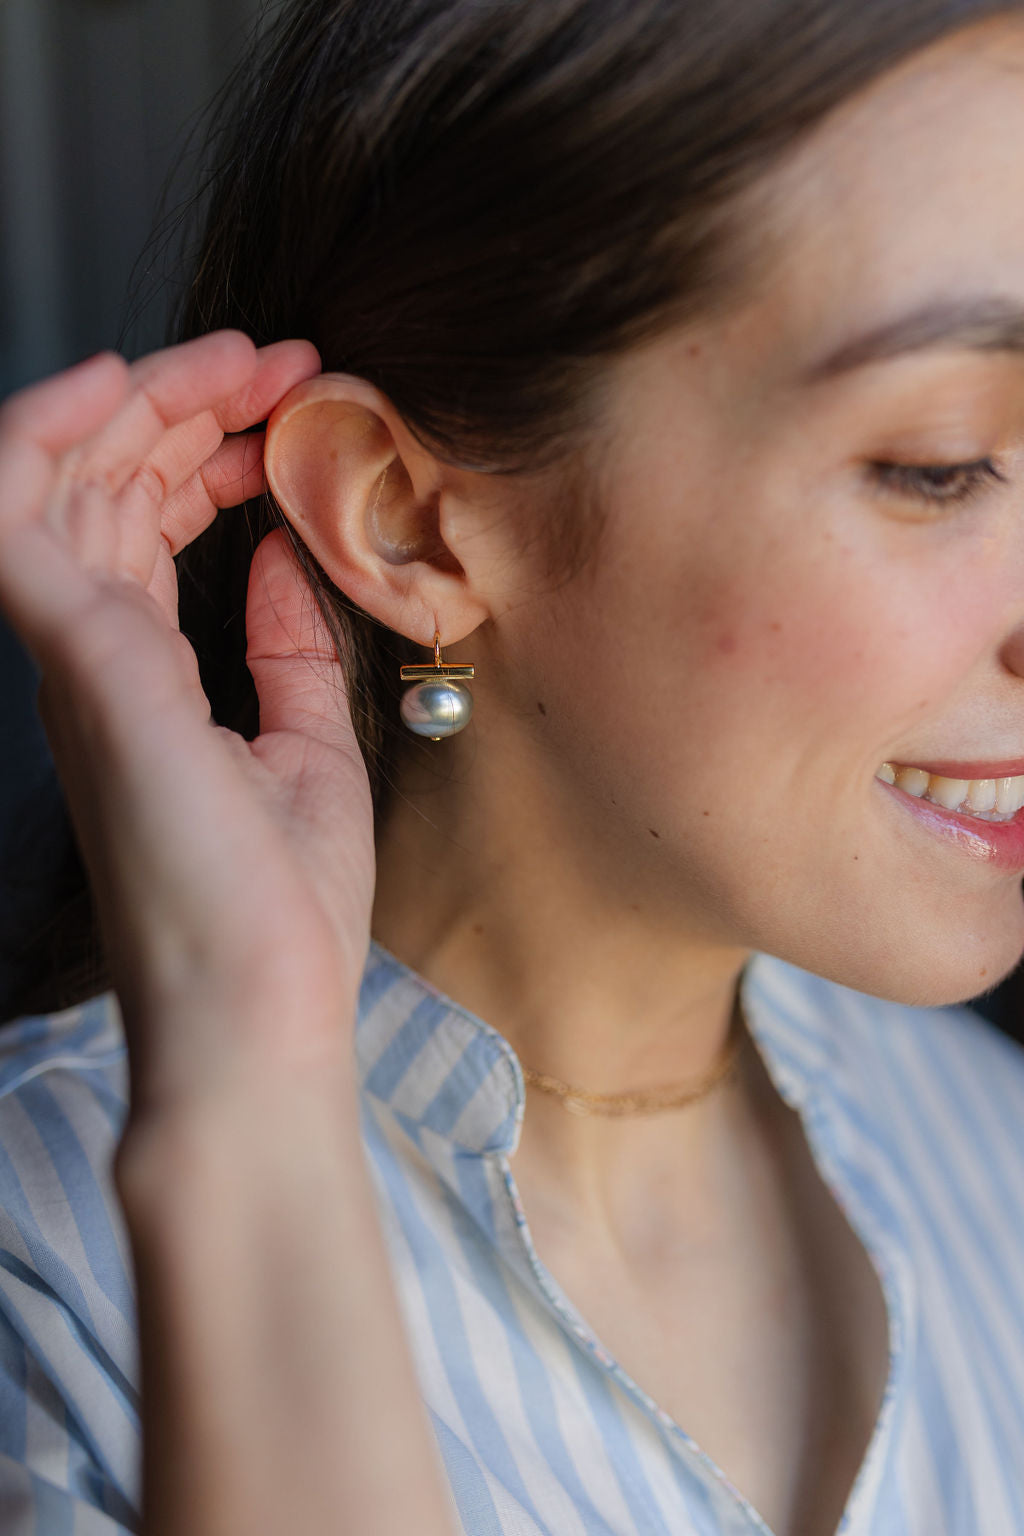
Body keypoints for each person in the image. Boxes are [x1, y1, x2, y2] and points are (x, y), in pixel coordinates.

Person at [3, 0, 1024, 1531]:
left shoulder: (990, 1142)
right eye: (937, 462)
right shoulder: (46, 1283)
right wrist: (250, 1090)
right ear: (407, 519)